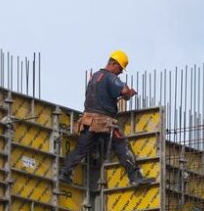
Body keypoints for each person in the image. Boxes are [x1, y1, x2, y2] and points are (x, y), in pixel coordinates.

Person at [59, 50, 152, 186]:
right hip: (104, 122)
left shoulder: (94, 77)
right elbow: (124, 91)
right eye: (120, 68)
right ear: (113, 64)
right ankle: (135, 177)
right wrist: (128, 94)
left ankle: (64, 173)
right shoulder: (110, 77)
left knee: (81, 149)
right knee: (122, 145)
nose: (120, 72)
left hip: (88, 121)